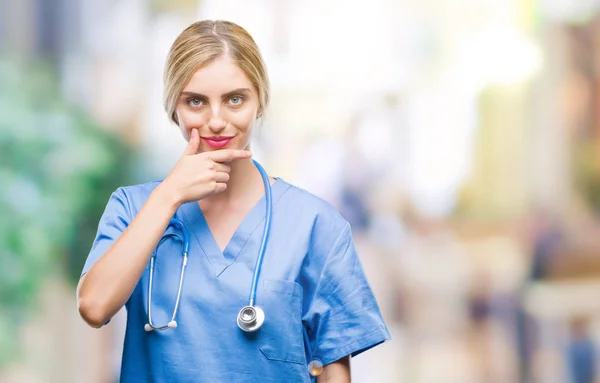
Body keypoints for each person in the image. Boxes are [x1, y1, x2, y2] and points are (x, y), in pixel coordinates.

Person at [76, 20, 390, 382]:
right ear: (172, 107)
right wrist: (170, 195)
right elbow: (94, 307)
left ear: (260, 102)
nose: (216, 121)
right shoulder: (134, 208)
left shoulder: (315, 225)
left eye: (235, 99)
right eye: (195, 101)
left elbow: (333, 370)